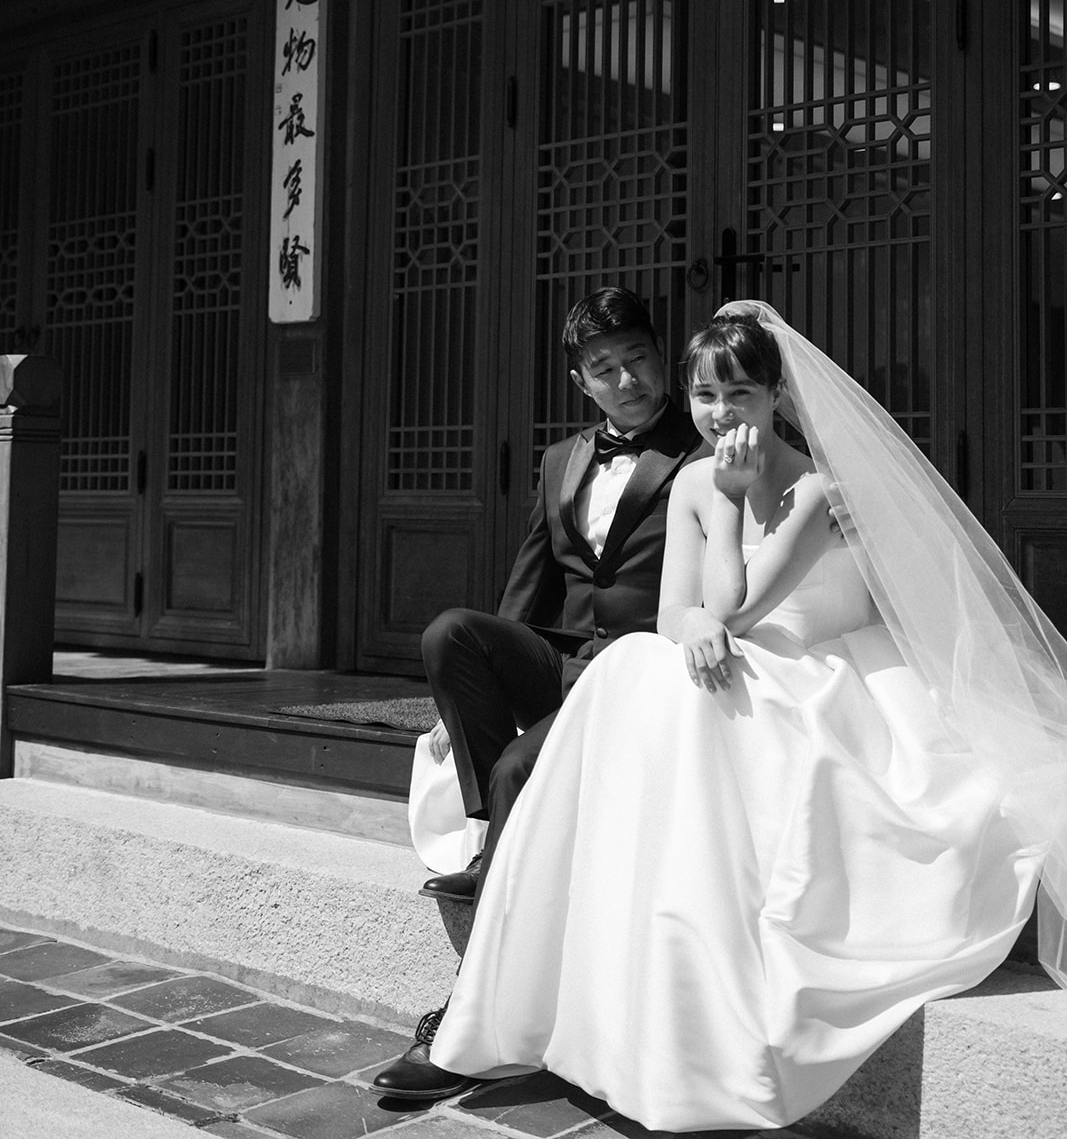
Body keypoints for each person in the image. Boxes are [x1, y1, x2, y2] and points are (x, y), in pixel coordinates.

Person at [379, 302, 1067, 1130]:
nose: (719, 413)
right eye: (706, 397)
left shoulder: (813, 487)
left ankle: (576, 1001)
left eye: (738, 393)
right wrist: (694, 616)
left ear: (776, 395)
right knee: (632, 667)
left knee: (631, 699)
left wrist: (731, 514)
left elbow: (735, 608)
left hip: (801, 667)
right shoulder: (691, 478)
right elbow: (678, 612)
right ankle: (523, 987)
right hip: (697, 653)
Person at [378, 286, 701, 1100]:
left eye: (635, 359)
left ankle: (463, 1020)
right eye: (603, 368)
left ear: (659, 355)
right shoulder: (560, 459)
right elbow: (529, 585)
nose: (624, 379)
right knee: (453, 630)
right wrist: (463, 707)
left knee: (526, 768)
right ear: (578, 379)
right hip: (568, 661)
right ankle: (497, 841)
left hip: (644, 669)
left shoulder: (707, 442)